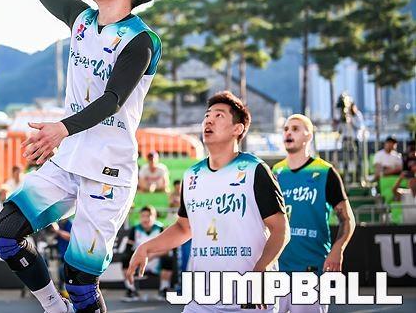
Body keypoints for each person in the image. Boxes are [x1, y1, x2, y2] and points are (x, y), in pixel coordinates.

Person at [0, 0, 163, 313]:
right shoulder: (80, 18)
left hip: (108, 169)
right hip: (68, 158)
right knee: (5, 232)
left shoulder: (141, 40)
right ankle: (52, 307)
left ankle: (71, 302)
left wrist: (60, 128)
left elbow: (114, 98)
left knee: (80, 282)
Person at [127, 91, 289, 312]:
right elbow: (184, 228)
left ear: (237, 129)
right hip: (203, 298)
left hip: (249, 297)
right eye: (207, 115)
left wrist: (262, 268)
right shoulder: (192, 175)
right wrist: (146, 248)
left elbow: (281, 230)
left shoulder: (255, 169)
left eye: (219, 115)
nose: (209, 120)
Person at [273, 114, 356, 313]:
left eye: (295, 128)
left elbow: (347, 219)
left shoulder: (326, 172)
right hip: (277, 270)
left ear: (308, 135)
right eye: (286, 129)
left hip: (311, 270)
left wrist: (338, 249)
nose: (288, 133)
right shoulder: (276, 172)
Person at [121, 206, 174, 302]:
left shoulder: (160, 228)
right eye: (143, 216)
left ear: (155, 217)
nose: (145, 219)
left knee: (168, 259)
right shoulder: (135, 229)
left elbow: (167, 249)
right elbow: (128, 249)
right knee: (125, 259)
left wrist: (151, 256)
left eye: (148, 216)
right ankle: (131, 290)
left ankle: (164, 289)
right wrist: (137, 258)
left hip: (156, 260)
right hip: (139, 261)